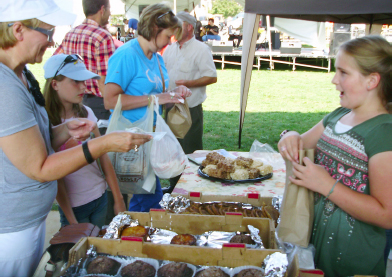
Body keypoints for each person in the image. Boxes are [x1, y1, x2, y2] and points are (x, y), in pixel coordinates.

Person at [0, 0, 151, 275]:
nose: (51, 41)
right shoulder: (5, 86)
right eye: (46, 32)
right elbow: (40, 167)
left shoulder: (23, 75)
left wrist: (62, 131)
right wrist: (102, 143)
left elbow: (33, 141)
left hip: (28, 221)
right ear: (18, 30)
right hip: (13, 229)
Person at [278, 35, 392, 277]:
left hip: (352, 263)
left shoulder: (383, 133)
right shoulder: (337, 116)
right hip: (315, 245)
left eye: (343, 73)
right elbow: (299, 144)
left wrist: (326, 185)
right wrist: (289, 135)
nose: (333, 80)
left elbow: (386, 215)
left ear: (372, 80)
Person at [104, 3, 192, 212]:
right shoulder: (126, 55)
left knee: (149, 196)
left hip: (152, 140)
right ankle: (136, 238)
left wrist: (175, 93)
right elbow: (110, 101)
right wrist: (154, 99)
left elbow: (158, 96)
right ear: (154, 28)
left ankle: (137, 235)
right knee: (147, 199)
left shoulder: (158, 59)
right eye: (168, 36)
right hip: (131, 142)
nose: (170, 42)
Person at [43, 54, 127, 229]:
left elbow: (103, 156)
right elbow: (55, 177)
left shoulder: (87, 113)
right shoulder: (46, 123)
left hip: (100, 197)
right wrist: (71, 221)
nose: (83, 86)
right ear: (54, 84)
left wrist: (118, 199)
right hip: (74, 208)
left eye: (84, 80)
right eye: (76, 81)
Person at [163, 11, 217, 192]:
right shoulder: (170, 48)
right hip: (169, 107)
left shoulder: (201, 49)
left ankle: (193, 190)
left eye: (178, 25)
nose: (174, 29)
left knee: (191, 151)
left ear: (189, 27)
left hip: (190, 109)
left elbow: (211, 76)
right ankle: (174, 187)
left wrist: (188, 83)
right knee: (171, 150)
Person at [54, 0, 115, 135]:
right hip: (98, 104)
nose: (110, 13)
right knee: (101, 146)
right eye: (109, 9)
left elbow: (55, 62)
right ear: (103, 9)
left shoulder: (71, 33)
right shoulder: (103, 36)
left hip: (73, 101)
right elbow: (104, 80)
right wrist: (113, 107)